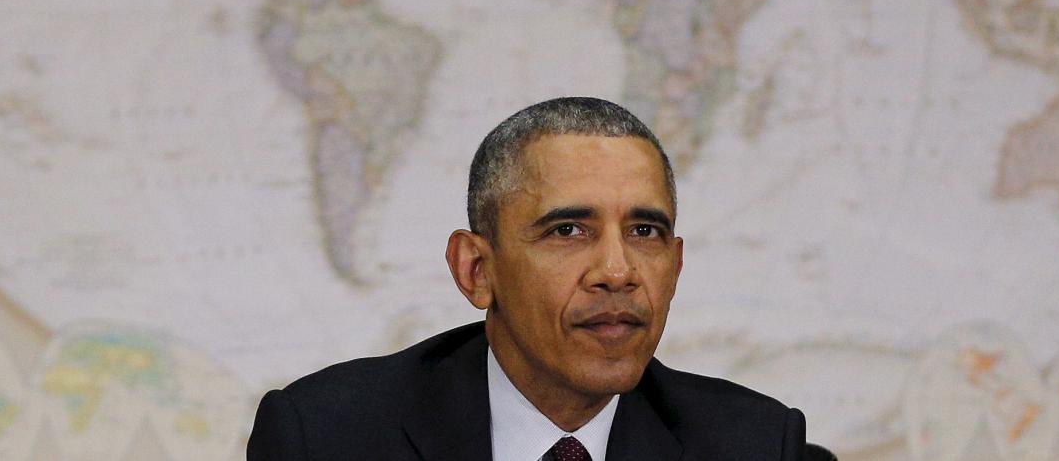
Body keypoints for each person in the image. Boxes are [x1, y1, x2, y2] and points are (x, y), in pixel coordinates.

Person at [248, 96, 833, 460]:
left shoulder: (754, 444)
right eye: (568, 231)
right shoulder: (325, 438)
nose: (617, 272)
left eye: (645, 232)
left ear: (676, 268)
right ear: (476, 270)